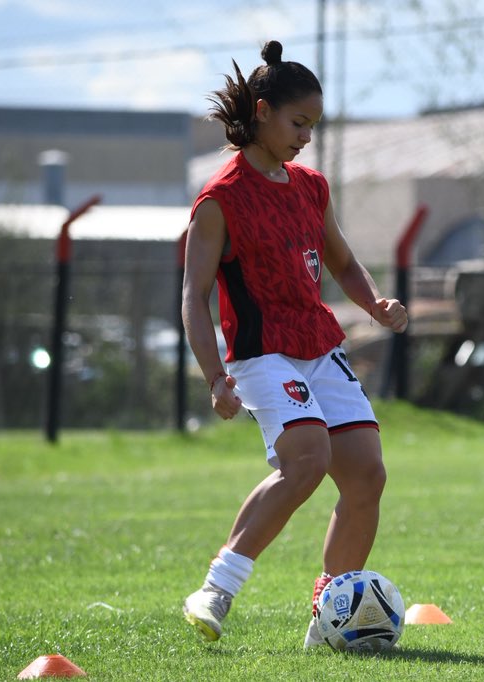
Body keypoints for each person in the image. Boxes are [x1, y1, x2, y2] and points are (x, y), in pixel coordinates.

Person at [180, 40, 408, 649]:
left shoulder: (310, 187)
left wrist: (375, 305)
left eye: (313, 125)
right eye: (298, 123)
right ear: (261, 111)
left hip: (317, 343)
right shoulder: (219, 200)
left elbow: (343, 260)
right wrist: (214, 378)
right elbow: (193, 297)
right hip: (262, 352)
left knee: (366, 476)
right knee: (307, 459)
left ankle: (329, 617)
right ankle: (217, 590)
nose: (306, 136)